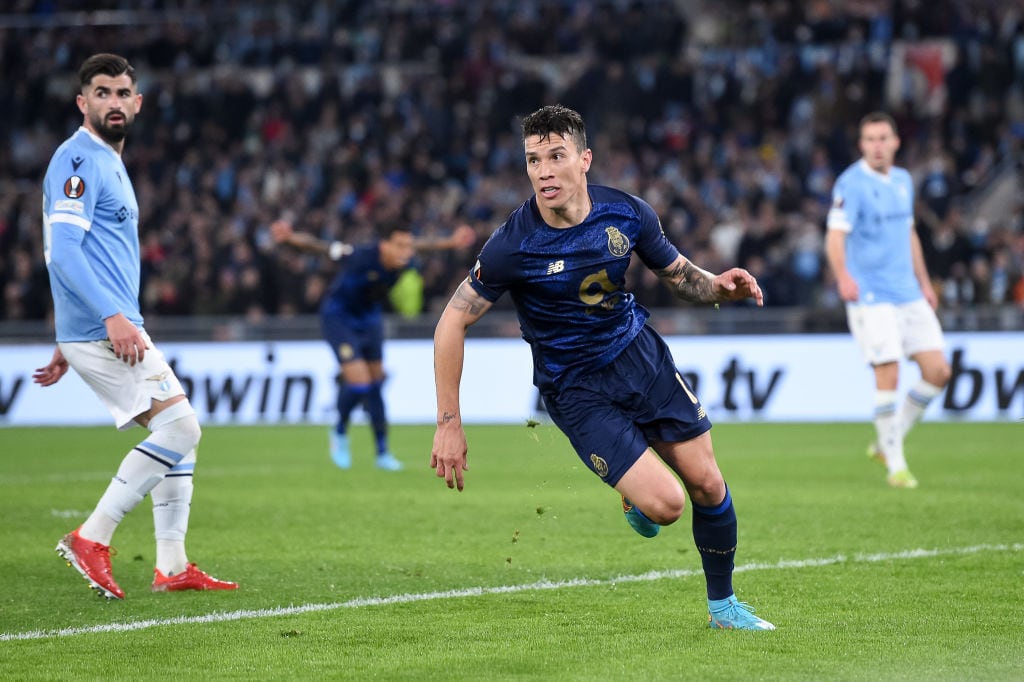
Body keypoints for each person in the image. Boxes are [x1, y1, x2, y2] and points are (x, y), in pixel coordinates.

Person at [431, 104, 775, 631]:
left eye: (555, 156)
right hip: (575, 386)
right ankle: (633, 495)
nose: (544, 171)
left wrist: (717, 286)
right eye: (533, 160)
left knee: (707, 484)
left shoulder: (628, 213)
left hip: (638, 355)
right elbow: (452, 322)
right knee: (666, 507)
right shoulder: (512, 245)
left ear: (584, 159)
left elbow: (681, 276)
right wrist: (448, 424)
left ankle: (723, 608)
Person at [34, 53, 237, 599]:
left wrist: (67, 333)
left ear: (138, 102)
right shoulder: (79, 160)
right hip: (104, 327)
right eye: (102, 93)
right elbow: (65, 253)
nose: (114, 102)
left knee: (179, 437)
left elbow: (72, 252)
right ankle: (90, 537)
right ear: (83, 102)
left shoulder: (106, 159)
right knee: (182, 429)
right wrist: (104, 318)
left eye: (123, 93)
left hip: (98, 326)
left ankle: (172, 566)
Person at [271, 218, 475, 470]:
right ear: (384, 246)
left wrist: (451, 241)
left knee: (375, 384)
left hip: (369, 319)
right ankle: (339, 432)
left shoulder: (406, 256)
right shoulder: (360, 255)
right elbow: (321, 247)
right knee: (359, 383)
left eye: (408, 246)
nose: (406, 252)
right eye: (400, 246)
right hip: (340, 317)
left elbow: (423, 245)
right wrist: (290, 238)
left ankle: (382, 453)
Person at [825, 111, 952, 489]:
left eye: (883, 138)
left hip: (908, 293)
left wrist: (925, 282)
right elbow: (835, 236)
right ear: (862, 145)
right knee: (890, 372)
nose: (877, 146)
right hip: (872, 295)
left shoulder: (902, 180)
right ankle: (896, 463)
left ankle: (885, 441)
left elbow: (909, 234)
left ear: (896, 142)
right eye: (869, 139)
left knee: (938, 372)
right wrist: (844, 276)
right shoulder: (851, 183)